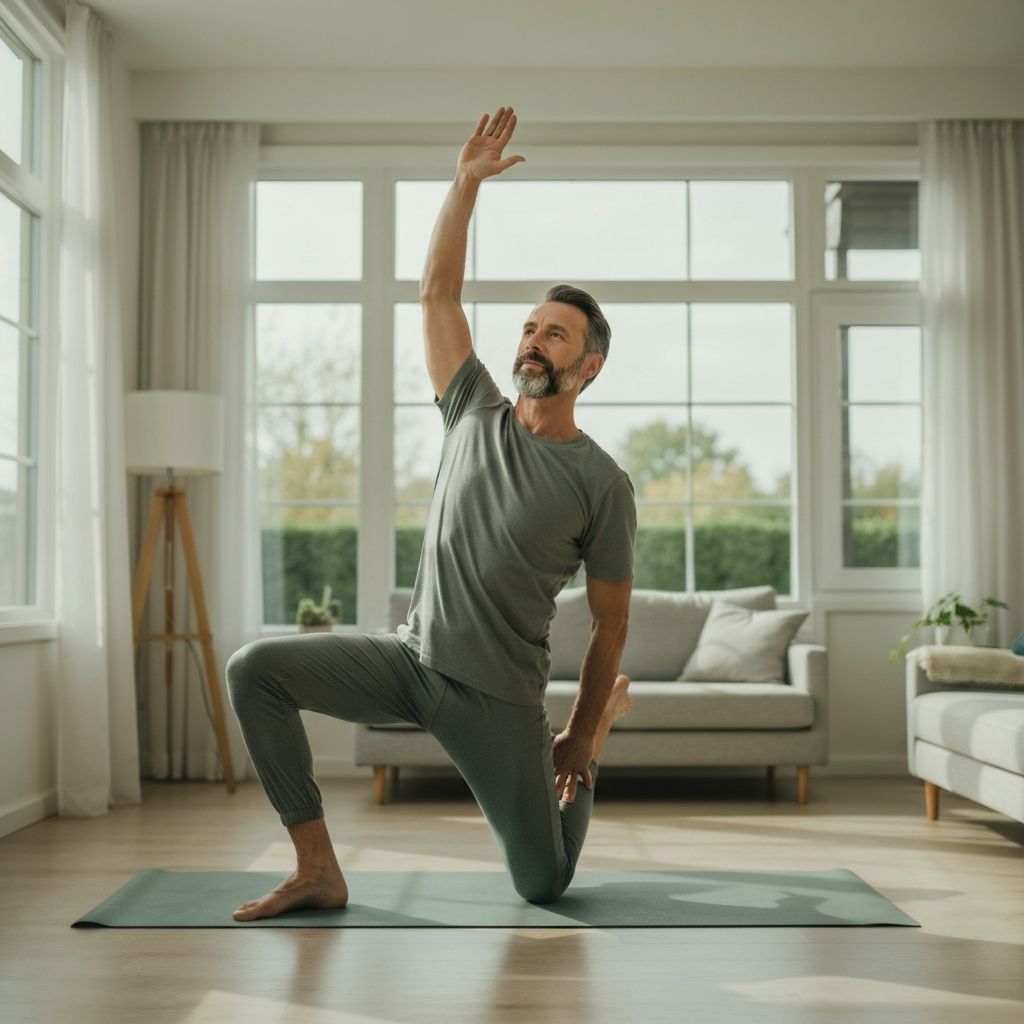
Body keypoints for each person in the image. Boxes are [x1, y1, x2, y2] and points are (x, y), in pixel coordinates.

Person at [225, 105, 637, 921]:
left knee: (542, 885)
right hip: (411, 663)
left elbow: (611, 626)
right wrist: (465, 184)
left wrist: (587, 731)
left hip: (497, 699)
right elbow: (435, 291)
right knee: (254, 671)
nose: (532, 341)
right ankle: (317, 868)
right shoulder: (474, 409)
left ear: (589, 366)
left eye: (554, 336)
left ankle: (599, 743)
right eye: (528, 328)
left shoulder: (604, 484)